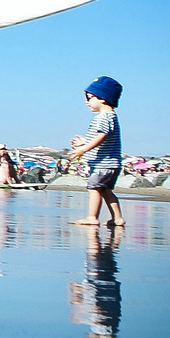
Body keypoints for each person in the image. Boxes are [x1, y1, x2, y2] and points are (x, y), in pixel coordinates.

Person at [70, 75, 125, 226]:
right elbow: (103, 138)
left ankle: (92, 217)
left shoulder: (103, 117)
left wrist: (83, 149)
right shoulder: (111, 116)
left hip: (103, 164)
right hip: (112, 164)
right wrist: (84, 141)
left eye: (89, 97)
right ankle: (118, 218)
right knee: (106, 190)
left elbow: (102, 136)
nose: (86, 102)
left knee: (94, 188)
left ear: (102, 98)